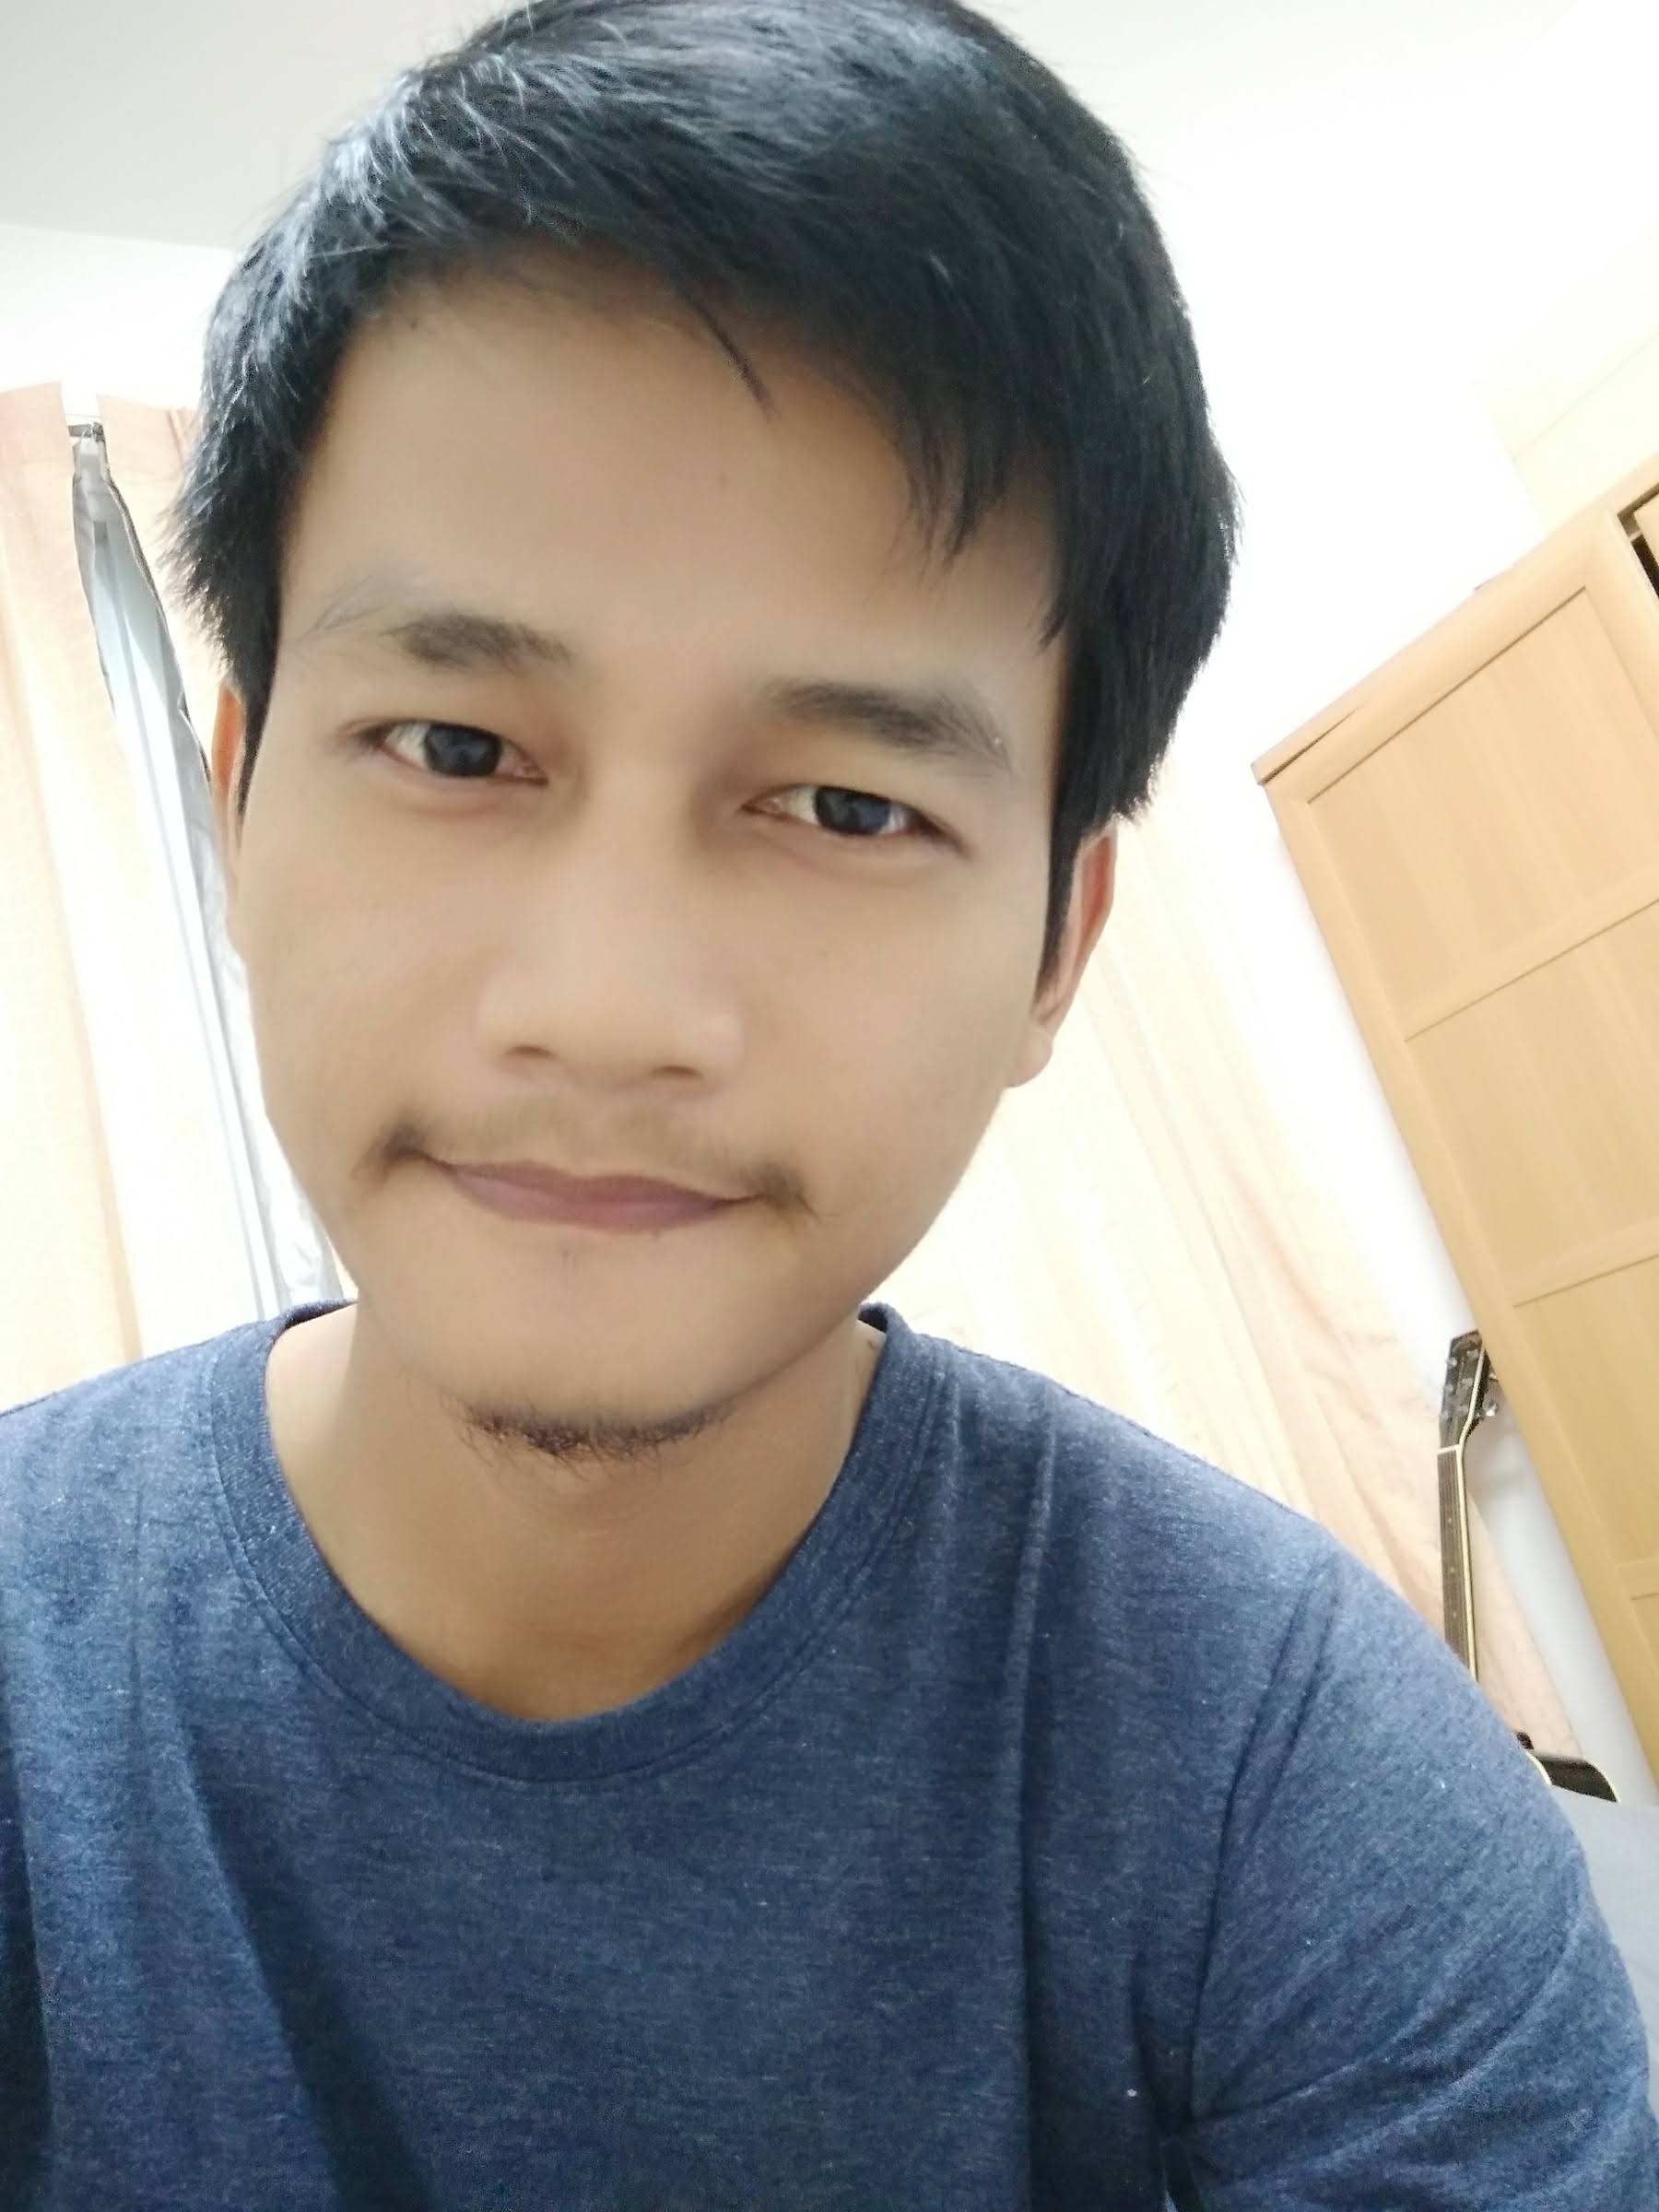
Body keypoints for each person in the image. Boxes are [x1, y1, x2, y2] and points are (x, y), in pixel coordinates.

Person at [2, 1, 1653, 2205]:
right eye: (458, 749)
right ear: (238, 807)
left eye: (849, 806)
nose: (604, 1011)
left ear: (1058, 948)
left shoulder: (1286, 1767)